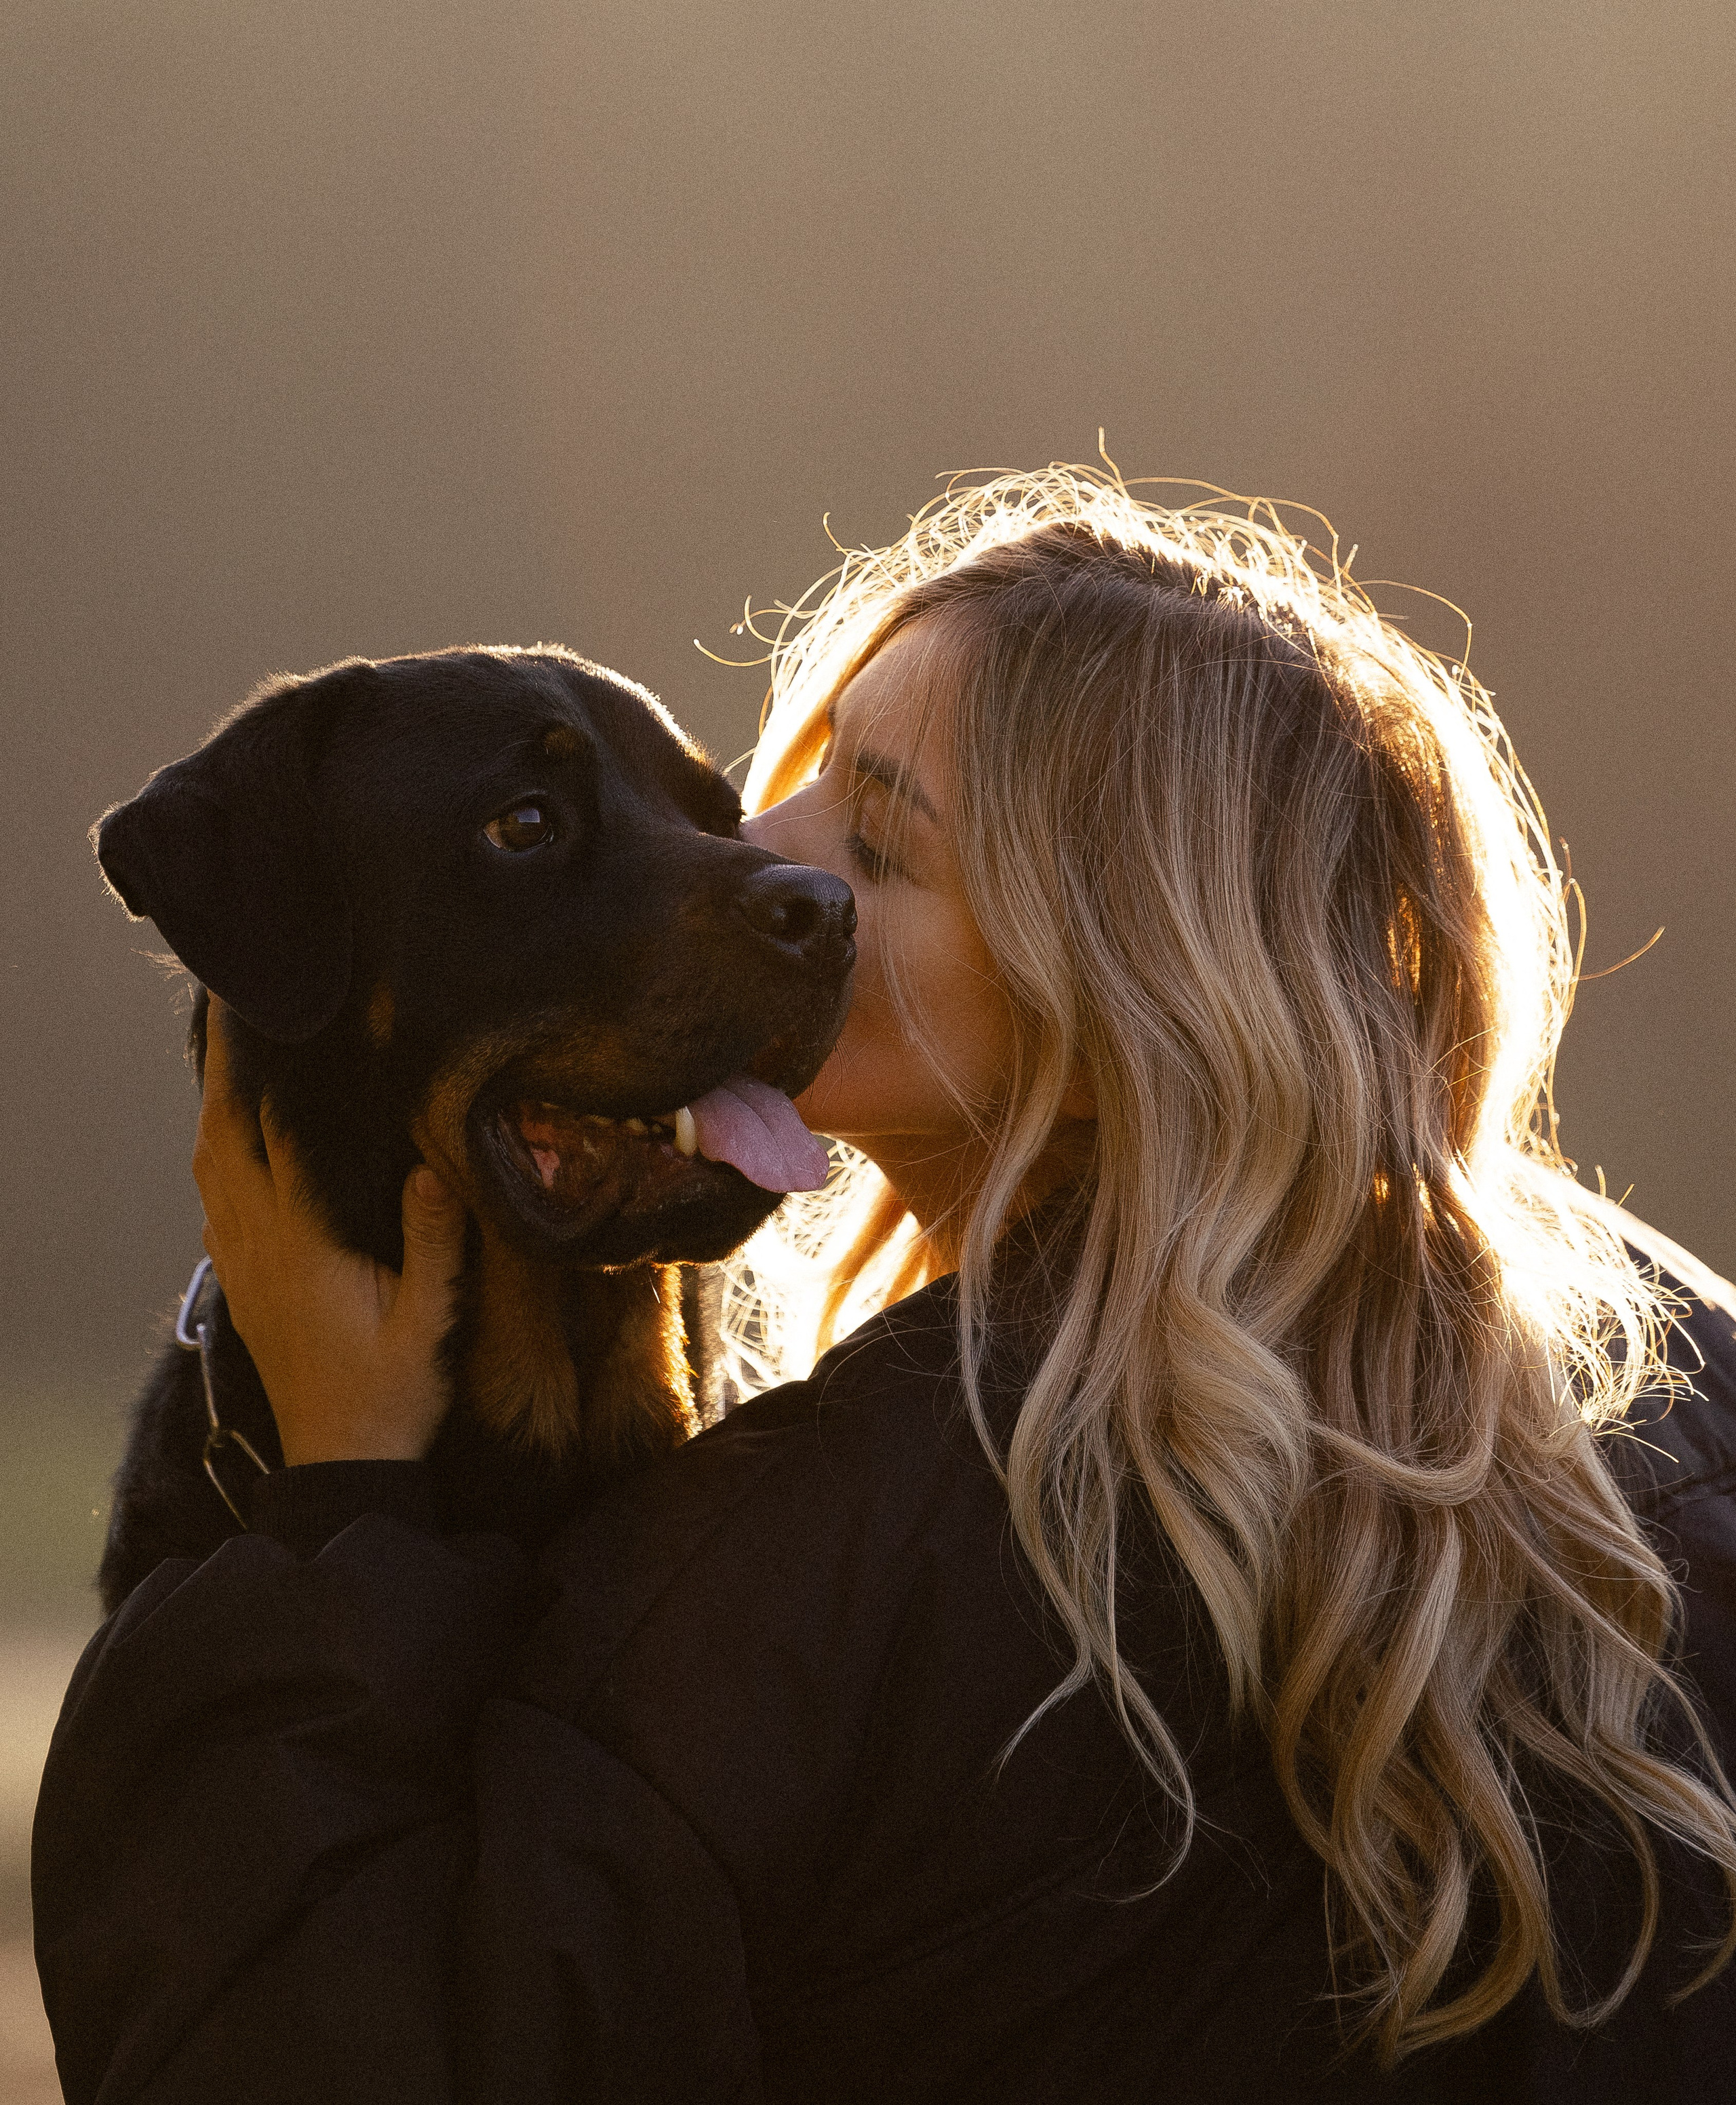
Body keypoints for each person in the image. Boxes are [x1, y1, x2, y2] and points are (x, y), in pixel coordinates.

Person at [33, 468, 1736, 2103]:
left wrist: (336, 1506)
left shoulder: (821, 1572)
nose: (771, 871)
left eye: (886, 847)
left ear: (1128, 985)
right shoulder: (1660, 1402)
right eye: (795, 785)